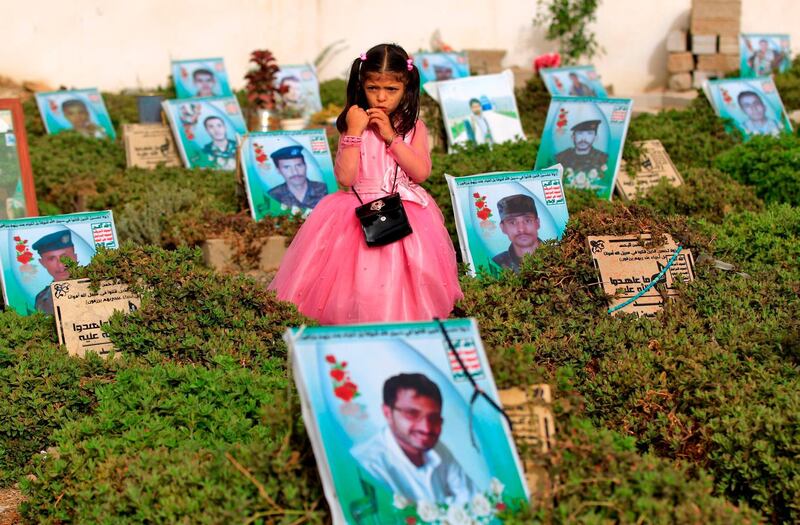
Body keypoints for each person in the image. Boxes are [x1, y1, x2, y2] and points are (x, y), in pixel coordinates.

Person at [269, 43, 462, 324]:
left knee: (406, 279)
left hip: (404, 212)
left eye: (391, 90)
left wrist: (391, 137)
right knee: (356, 279)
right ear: (361, 85)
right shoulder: (353, 123)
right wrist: (355, 132)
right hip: (355, 213)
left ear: (406, 88)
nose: (381, 98)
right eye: (373, 88)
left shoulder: (413, 126)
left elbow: (420, 172)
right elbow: (345, 178)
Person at [351, 373, 476, 504]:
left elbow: (475, 502)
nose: (426, 428)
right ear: (387, 413)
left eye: (434, 418)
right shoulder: (366, 465)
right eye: (412, 414)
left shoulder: (438, 450)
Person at [32, 230, 79, 315]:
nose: (60, 265)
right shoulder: (41, 299)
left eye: (65, 257)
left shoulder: (95, 287)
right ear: (42, 263)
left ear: (75, 257)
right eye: (51, 259)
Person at [267, 145, 328, 209]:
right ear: (278, 170)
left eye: (299, 165)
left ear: (305, 166)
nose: (295, 172)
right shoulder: (273, 196)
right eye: (287, 167)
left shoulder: (325, 190)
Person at [492, 194, 543, 272]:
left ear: (537, 223)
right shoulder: (497, 264)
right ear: (503, 228)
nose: (521, 229)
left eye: (527, 220)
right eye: (512, 222)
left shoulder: (559, 254)